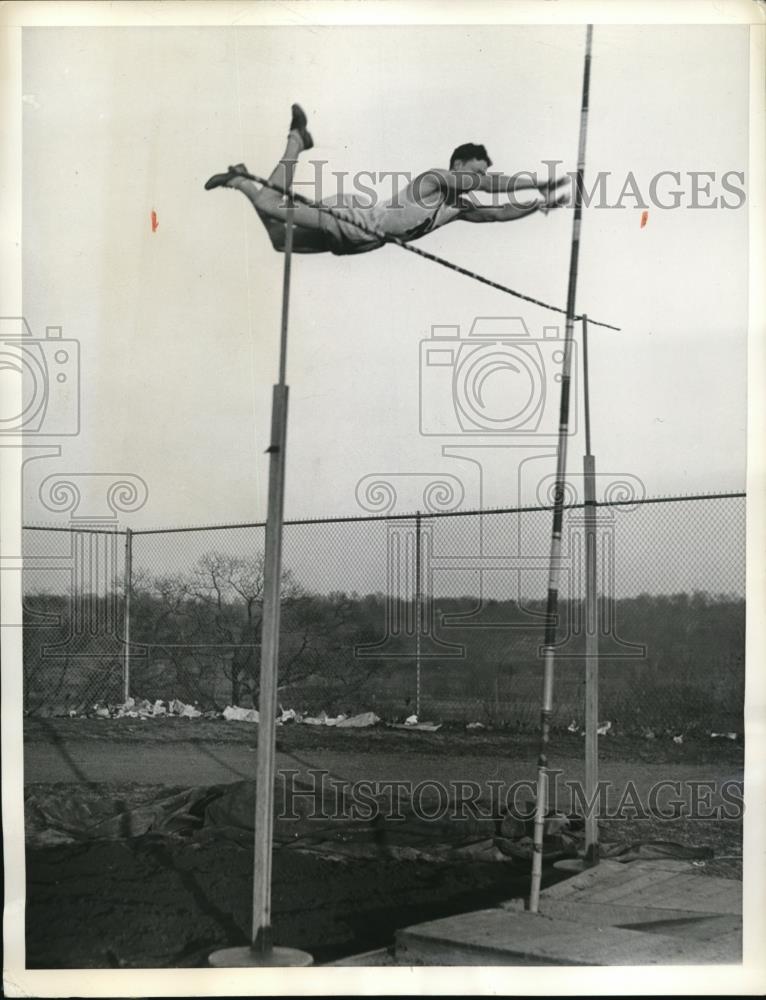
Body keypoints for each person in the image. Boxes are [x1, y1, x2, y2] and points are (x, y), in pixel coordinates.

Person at [205, 104, 570, 256]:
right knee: (273, 207)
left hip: (366, 243)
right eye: (475, 171)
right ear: (458, 165)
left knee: (278, 241)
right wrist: (536, 183)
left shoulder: (457, 207)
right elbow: (491, 188)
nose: (479, 179)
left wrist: (539, 205)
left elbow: (496, 213)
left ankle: (243, 177)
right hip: (360, 221)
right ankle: (295, 140)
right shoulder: (435, 179)